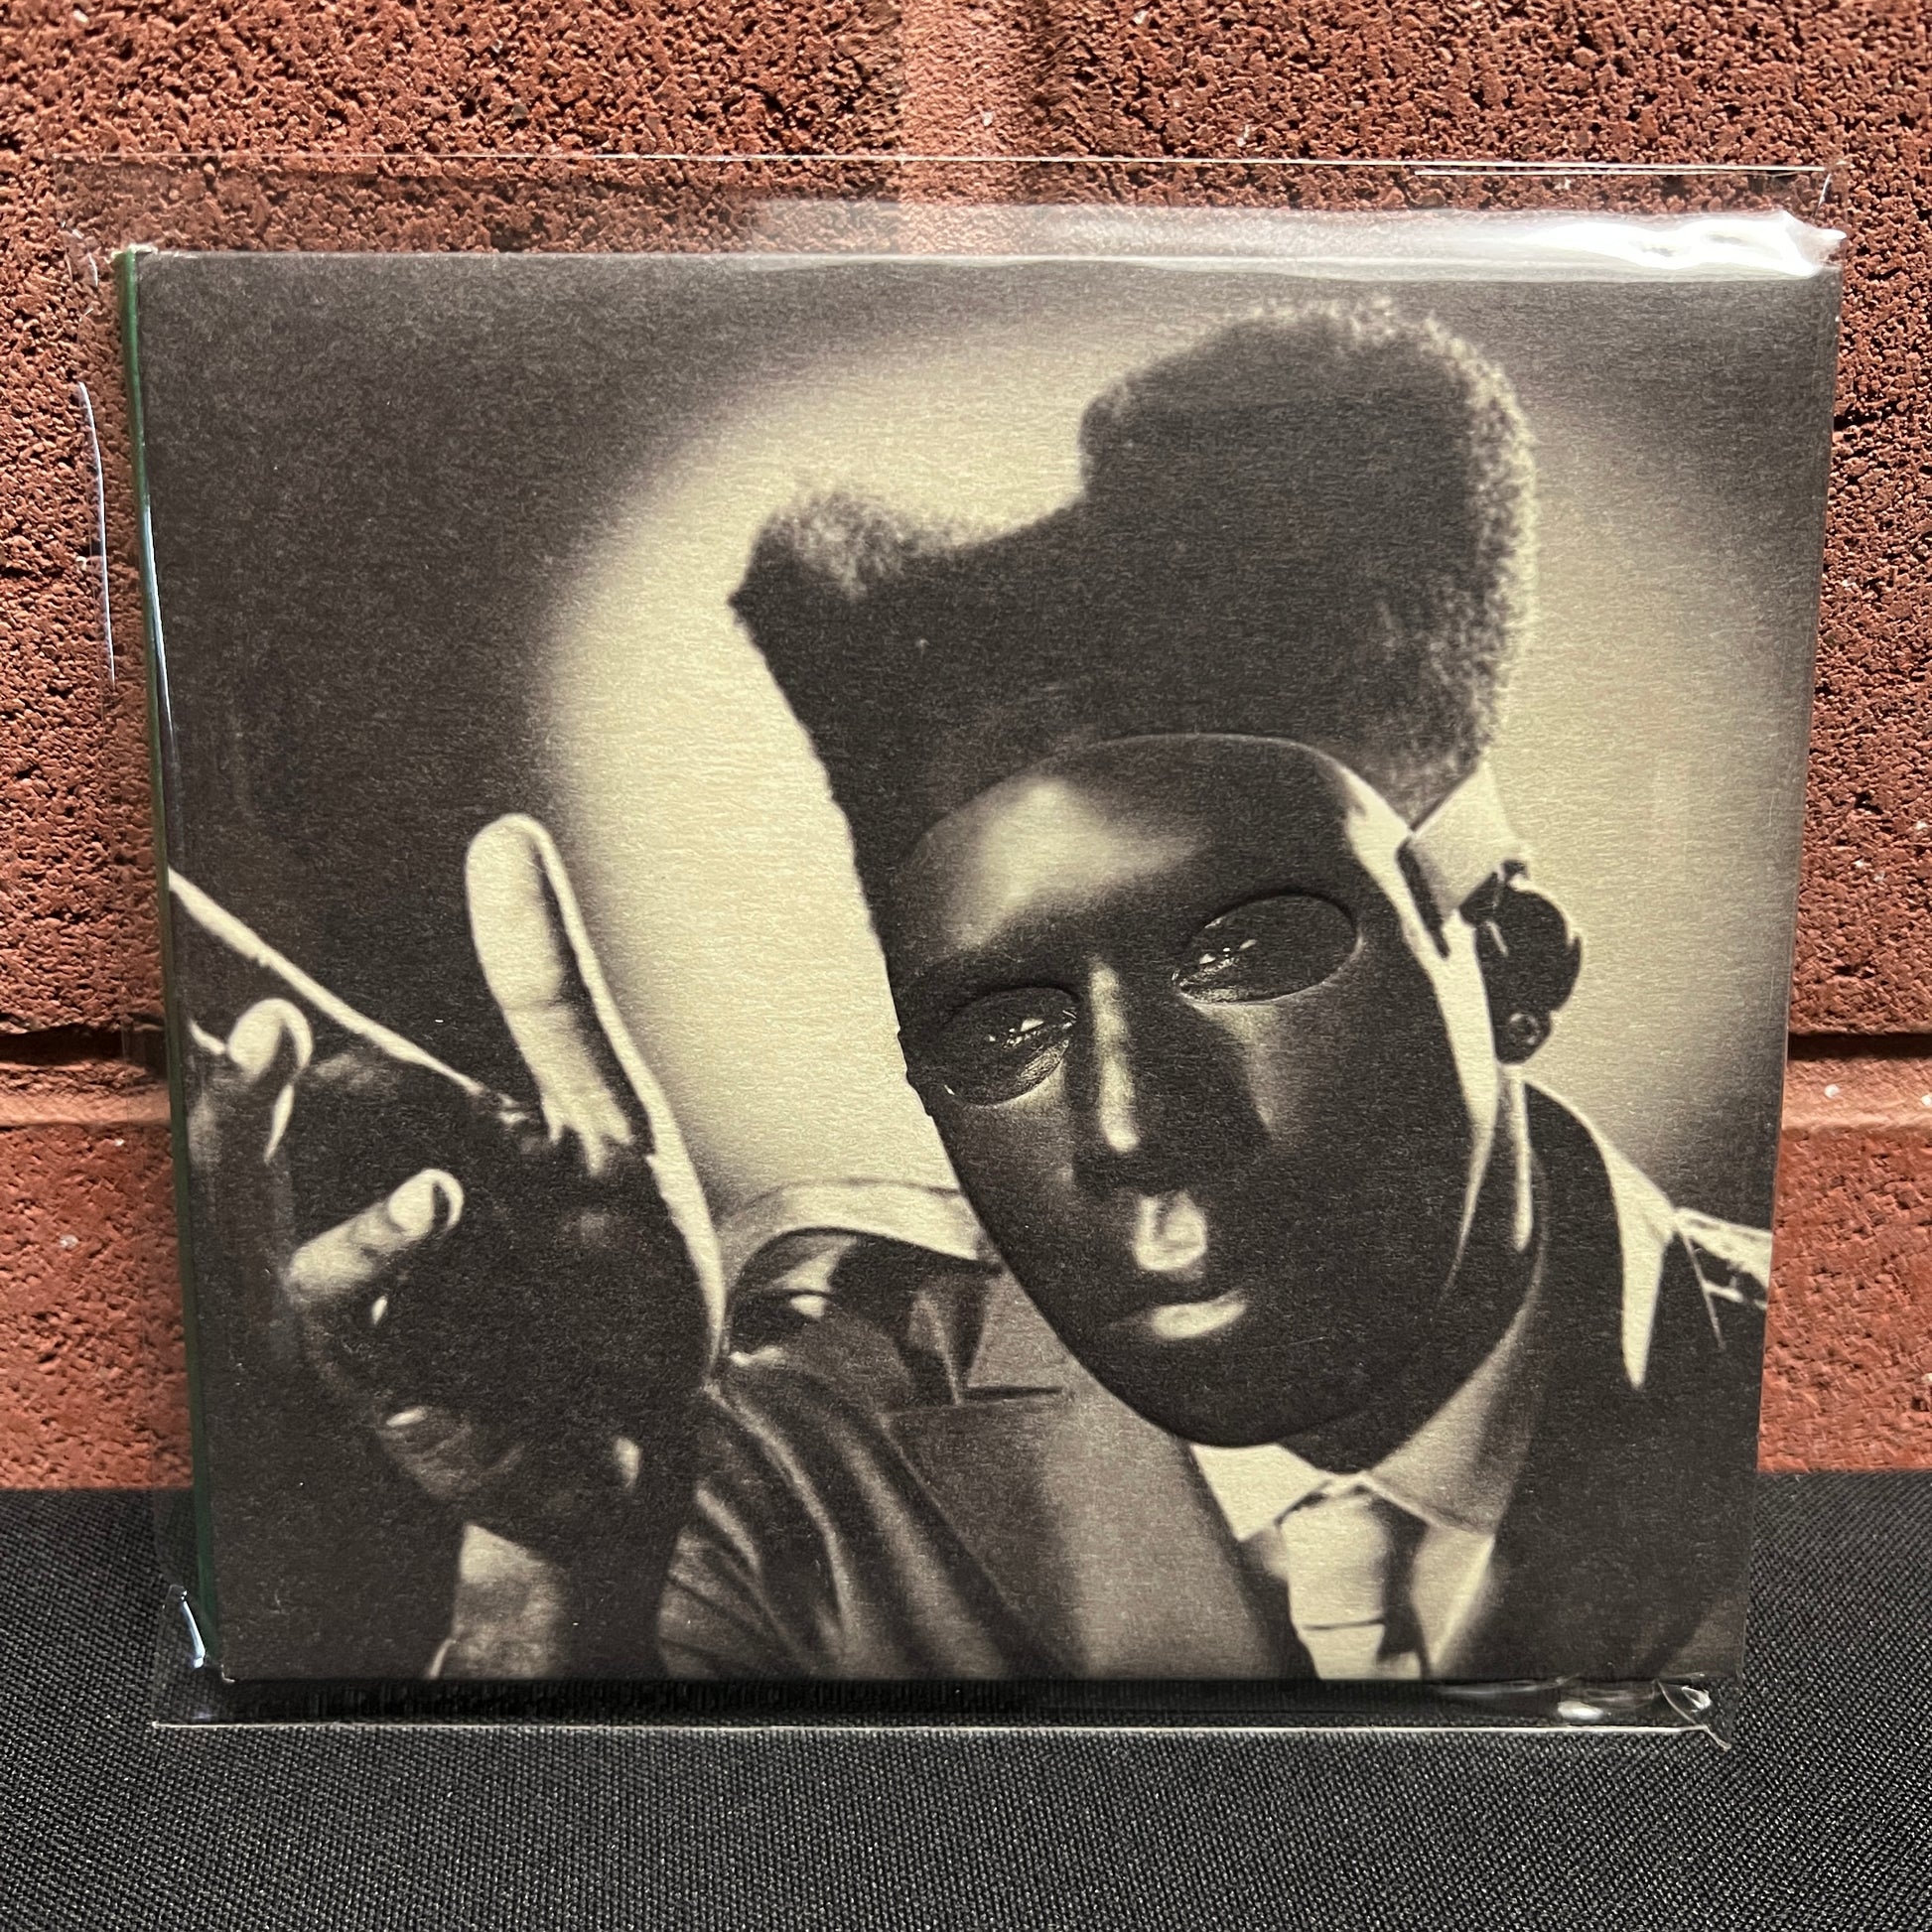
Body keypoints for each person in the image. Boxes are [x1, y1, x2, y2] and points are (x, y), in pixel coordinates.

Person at [188, 304, 1768, 1684]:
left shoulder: (1813, 1400)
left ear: (1512, 959)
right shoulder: (777, 1490)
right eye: (1001, 1028)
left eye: (1244, 950)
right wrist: (564, 1570)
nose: (1130, 1126)